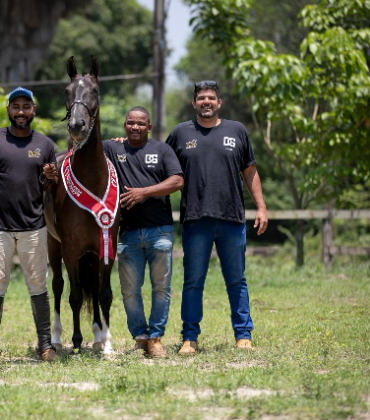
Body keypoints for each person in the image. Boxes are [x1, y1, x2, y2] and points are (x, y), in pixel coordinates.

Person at [165, 81, 268, 355]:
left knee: (236, 279)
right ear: (194, 103)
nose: (206, 101)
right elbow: (162, 163)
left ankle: (243, 334)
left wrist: (261, 206)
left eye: (211, 97)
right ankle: (189, 338)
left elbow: (250, 171)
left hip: (232, 219)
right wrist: (125, 144)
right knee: (193, 281)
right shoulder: (180, 133)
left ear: (219, 103)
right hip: (195, 220)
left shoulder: (237, 130)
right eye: (201, 98)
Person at [0, 87, 58, 363]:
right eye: (16, 106)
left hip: (34, 227)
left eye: (26, 106)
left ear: (34, 110)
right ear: (8, 109)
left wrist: (49, 176)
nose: (21, 111)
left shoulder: (45, 144)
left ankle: (45, 346)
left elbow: (48, 187)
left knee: (38, 284)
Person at [101, 106, 183, 358]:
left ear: (149, 127)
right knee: (129, 290)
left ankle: (156, 339)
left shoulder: (162, 150)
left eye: (140, 124)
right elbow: (81, 143)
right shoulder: (113, 149)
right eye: (130, 123)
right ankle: (140, 338)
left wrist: (143, 192)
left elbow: (178, 181)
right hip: (127, 233)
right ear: (124, 126)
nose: (135, 127)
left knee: (161, 288)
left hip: (160, 231)